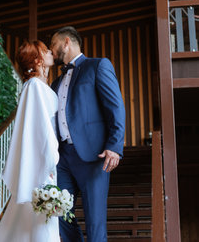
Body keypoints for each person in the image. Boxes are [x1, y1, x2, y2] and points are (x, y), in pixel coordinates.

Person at [49, 26, 126, 242]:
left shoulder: (98, 66)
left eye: (53, 46)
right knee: (59, 213)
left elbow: (116, 107)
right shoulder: (56, 82)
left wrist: (115, 146)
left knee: (95, 221)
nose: (51, 52)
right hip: (62, 157)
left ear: (66, 42)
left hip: (94, 156)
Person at [0, 40, 60, 242]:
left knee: (34, 220)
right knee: (38, 218)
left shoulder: (39, 86)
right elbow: (41, 129)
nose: (50, 52)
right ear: (38, 60)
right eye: (45, 50)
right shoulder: (34, 87)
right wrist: (50, 159)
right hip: (42, 164)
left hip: (47, 162)